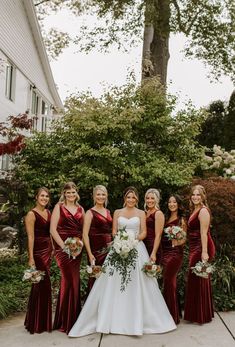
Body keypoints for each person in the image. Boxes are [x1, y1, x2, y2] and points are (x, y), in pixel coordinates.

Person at [69, 187, 176, 337]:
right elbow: (113, 231)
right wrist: (120, 240)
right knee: (113, 283)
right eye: (128, 197)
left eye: (133, 198)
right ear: (124, 198)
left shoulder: (141, 213)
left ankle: (141, 320)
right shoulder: (117, 212)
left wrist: (132, 240)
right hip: (118, 248)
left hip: (137, 249)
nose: (131, 200)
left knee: (138, 283)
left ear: (137, 199)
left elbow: (144, 232)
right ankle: (112, 319)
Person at [50, 182, 84, 334]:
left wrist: (79, 245)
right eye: (68, 192)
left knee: (74, 280)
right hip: (62, 249)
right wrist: (65, 247)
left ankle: (74, 319)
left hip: (77, 248)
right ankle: (65, 320)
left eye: (73, 192)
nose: (71, 195)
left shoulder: (81, 209)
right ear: (64, 194)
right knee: (68, 280)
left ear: (76, 193)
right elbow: (52, 229)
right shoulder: (59, 207)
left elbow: (83, 229)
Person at [184, 185, 215, 324]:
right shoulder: (194, 209)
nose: (195, 197)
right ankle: (199, 313)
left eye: (198, 195)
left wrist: (204, 252)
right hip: (194, 246)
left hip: (201, 247)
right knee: (196, 278)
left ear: (203, 196)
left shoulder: (203, 211)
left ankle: (200, 315)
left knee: (197, 278)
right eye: (193, 195)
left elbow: (204, 233)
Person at [24, 187, 53, 334]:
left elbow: (51, 233)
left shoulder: (48, 212)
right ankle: (36, 323)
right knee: (41, 284)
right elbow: (30, 237)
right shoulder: (31, 214)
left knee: (43, 286)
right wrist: (31, 257)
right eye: (42, 196)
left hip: (48, 251)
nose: (44, 198)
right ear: (36, 197)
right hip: (38, 253)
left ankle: (39, 321)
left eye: (47, 196)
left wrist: (53, 249)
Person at [161, 194, 187, 324]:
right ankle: (173, 312)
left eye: (174, 202)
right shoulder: (165, 218)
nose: (171, 204)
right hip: (164, 253)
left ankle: (172, 316)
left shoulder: (181, 220)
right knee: (169, 282)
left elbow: (183, 240)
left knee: (169, 281)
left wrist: (174, 239)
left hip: (175, 253)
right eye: (170, 202)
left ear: (178, 204)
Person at [83, 185, 112, 292]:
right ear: (94, 196)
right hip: (95, 250)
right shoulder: (89, 212)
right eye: (98, 194)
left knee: (108, 278)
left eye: (103, 194)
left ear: (106, 196)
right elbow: (85, 234)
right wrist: (90, 254)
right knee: (96, 277)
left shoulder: (108, 212)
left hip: (109, 250)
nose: (101, 197)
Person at [144, 188, 164, 264]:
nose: (149, 200)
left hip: (153, 247)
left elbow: (158, 235)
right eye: (147, 198)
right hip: (144, 246)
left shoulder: (158, 213)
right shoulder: (145, 213)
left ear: (157, 200)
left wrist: (154, 252)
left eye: (152, 198)